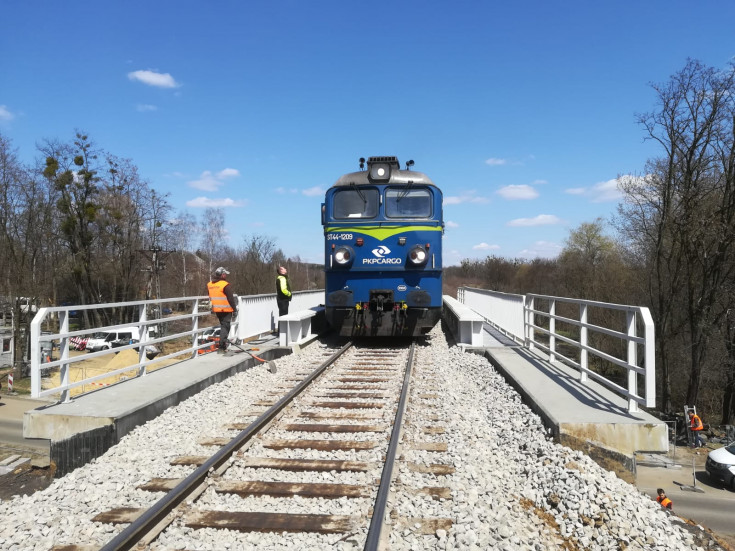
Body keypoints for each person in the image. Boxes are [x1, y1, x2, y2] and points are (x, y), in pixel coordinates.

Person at [207, 267, 237, 354]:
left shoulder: (210, 284)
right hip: (226, 309)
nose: (226, 275)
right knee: (225, 327)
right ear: (222, 275)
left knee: (223, 326)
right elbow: (230, 298)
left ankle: (222, 346)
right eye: (225, 274)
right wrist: (234, 309)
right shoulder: (225, 284)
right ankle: (221, 347)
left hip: (217, 309)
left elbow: (210, 296)